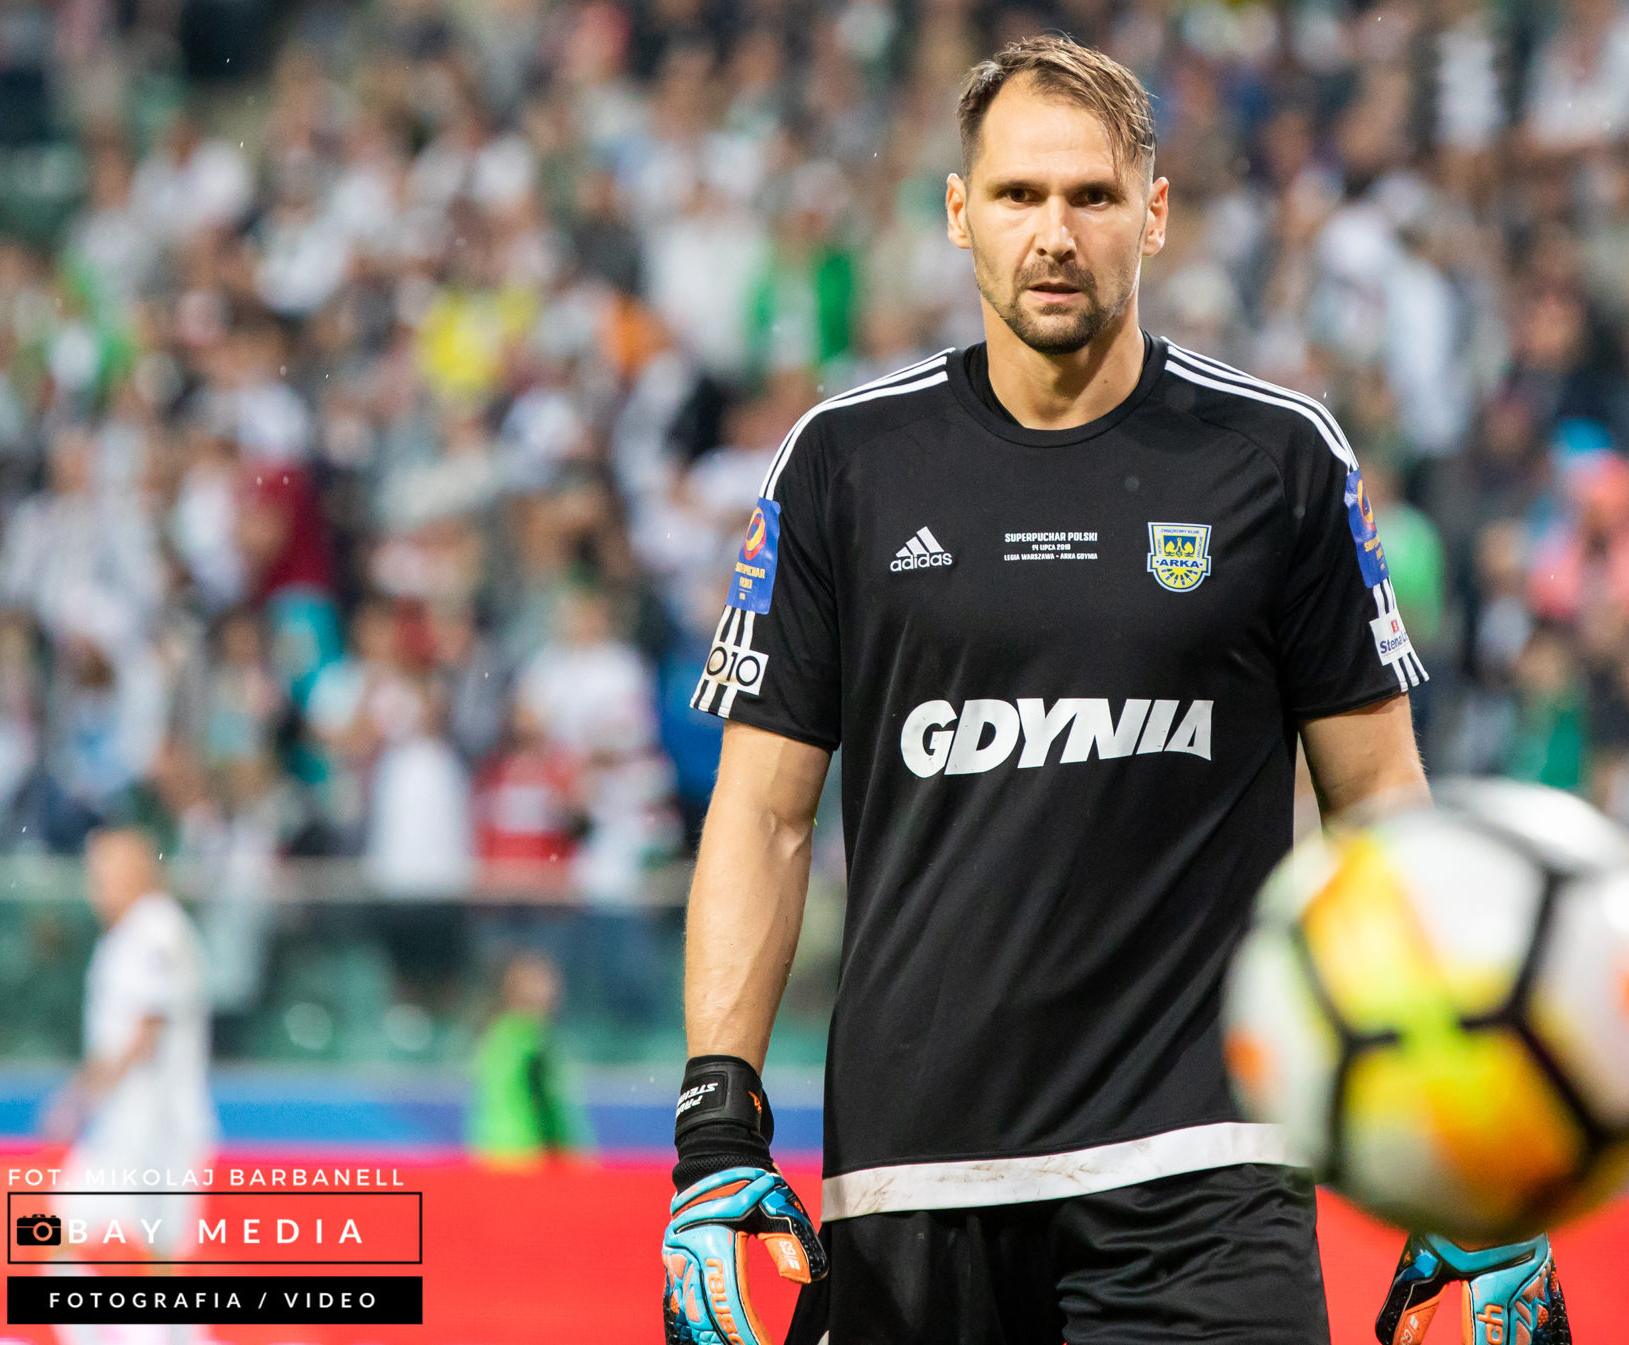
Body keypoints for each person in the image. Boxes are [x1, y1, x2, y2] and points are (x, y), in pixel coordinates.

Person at [662, 37, 1567, 1345]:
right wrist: (716, 1125)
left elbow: (1377, 805)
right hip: (914, 1180)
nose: (1054, 233)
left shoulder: (1279, 460)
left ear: (1152, 213)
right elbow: (761, 813)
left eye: (1091, 195)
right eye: (1018, 195)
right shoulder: (844, 463)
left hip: (1208, 1179)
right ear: (959, 211)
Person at [42, 827, 217, 1345]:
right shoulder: (127, 934)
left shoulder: (155, 929)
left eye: (105, 873)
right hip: (128, 1125)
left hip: (155, 1126)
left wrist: (79, 1095)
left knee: (144, 1252)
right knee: (80, 1235)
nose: (95, 887)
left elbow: (145, 1029)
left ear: (138, 871)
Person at [467, 950, 594, 1168]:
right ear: (512, 989)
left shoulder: (499, 1034)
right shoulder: (529, 1041)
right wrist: (573, 1161)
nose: (551, 987)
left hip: (495, 1156)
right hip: (527, 1160)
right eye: (540, 980)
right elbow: (548, 1110)